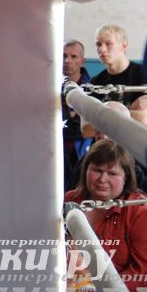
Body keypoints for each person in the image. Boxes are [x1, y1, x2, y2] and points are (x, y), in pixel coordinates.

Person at [65, 139, 147, 292]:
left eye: (112, 174)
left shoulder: (143, 212)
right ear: (85, 170)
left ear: (126, 177)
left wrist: (97, 291)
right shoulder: (70, 200)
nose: (102, 179)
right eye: (97, 170)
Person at [90, 24, 147, 126]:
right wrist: (129, 110)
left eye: (108, 43)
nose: (101, 49)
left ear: (124, 45)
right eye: (98, 44)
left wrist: (103, 113)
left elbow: (143, 118)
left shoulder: (144, 74)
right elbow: (88, 127)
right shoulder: (96, 81)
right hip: (106, 137)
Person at [62, 39, 92, 192]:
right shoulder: (46, 87)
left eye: (73, 56)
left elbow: (87, 129)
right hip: (52, 153)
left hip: (81, 155)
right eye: (64, 56)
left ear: (82, 61)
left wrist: (68, 119)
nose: (67, 61)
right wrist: (73, 117)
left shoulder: (93, 88)